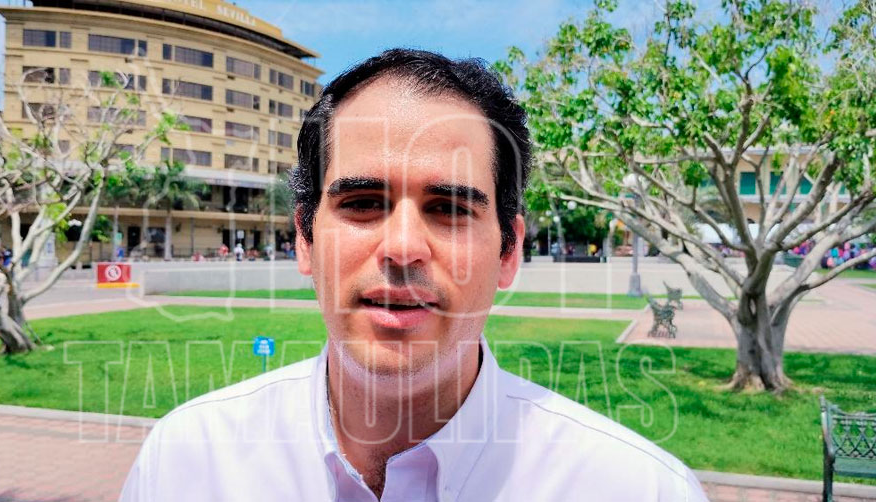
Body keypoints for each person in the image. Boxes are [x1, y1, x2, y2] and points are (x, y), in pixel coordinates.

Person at [120, 49, 708, 502]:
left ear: (509, 251)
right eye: (361, 203)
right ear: (304, 238)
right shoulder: (186, 464)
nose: (402, 248)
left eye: (450, 208)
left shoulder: (638, 488)